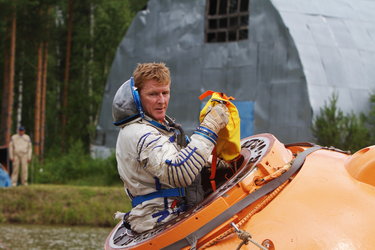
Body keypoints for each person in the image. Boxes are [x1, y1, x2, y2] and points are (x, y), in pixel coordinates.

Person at [112, 62, 229, 233]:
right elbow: (179, 172)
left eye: (165, 93)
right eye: (153, 94)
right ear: (137, 97)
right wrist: (209, 128)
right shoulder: (140, 133)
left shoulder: (155, 127)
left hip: (170, 215)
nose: (161, 101)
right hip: (160, 221)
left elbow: (177, 157)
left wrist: (215, 162)